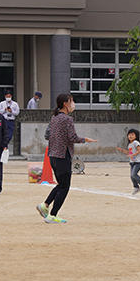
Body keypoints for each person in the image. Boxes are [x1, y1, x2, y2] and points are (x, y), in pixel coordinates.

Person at [36, 93, 96, 223]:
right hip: (63, 155)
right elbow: (72, 137)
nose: (73, 103)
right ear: (65, 103)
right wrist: (85, 139)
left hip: (52, 155)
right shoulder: (67, 119)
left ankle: (45, 205)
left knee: (61, 184)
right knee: (65, 186)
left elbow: (47, 135)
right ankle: (52, 214)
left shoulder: (54, 117)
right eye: (71, 101)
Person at [122, 128, 140, 195]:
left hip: (138, 162)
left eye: (132, 134)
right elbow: (131, 152)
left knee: (134, 174)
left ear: (136, 136)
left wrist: (132, 155)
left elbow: (139, 151)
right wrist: (127, 153)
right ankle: (136, 187)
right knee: (132, 176)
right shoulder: (129, 144)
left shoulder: (136, 142)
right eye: (129, 134)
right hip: (132, 162)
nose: (130, 136)